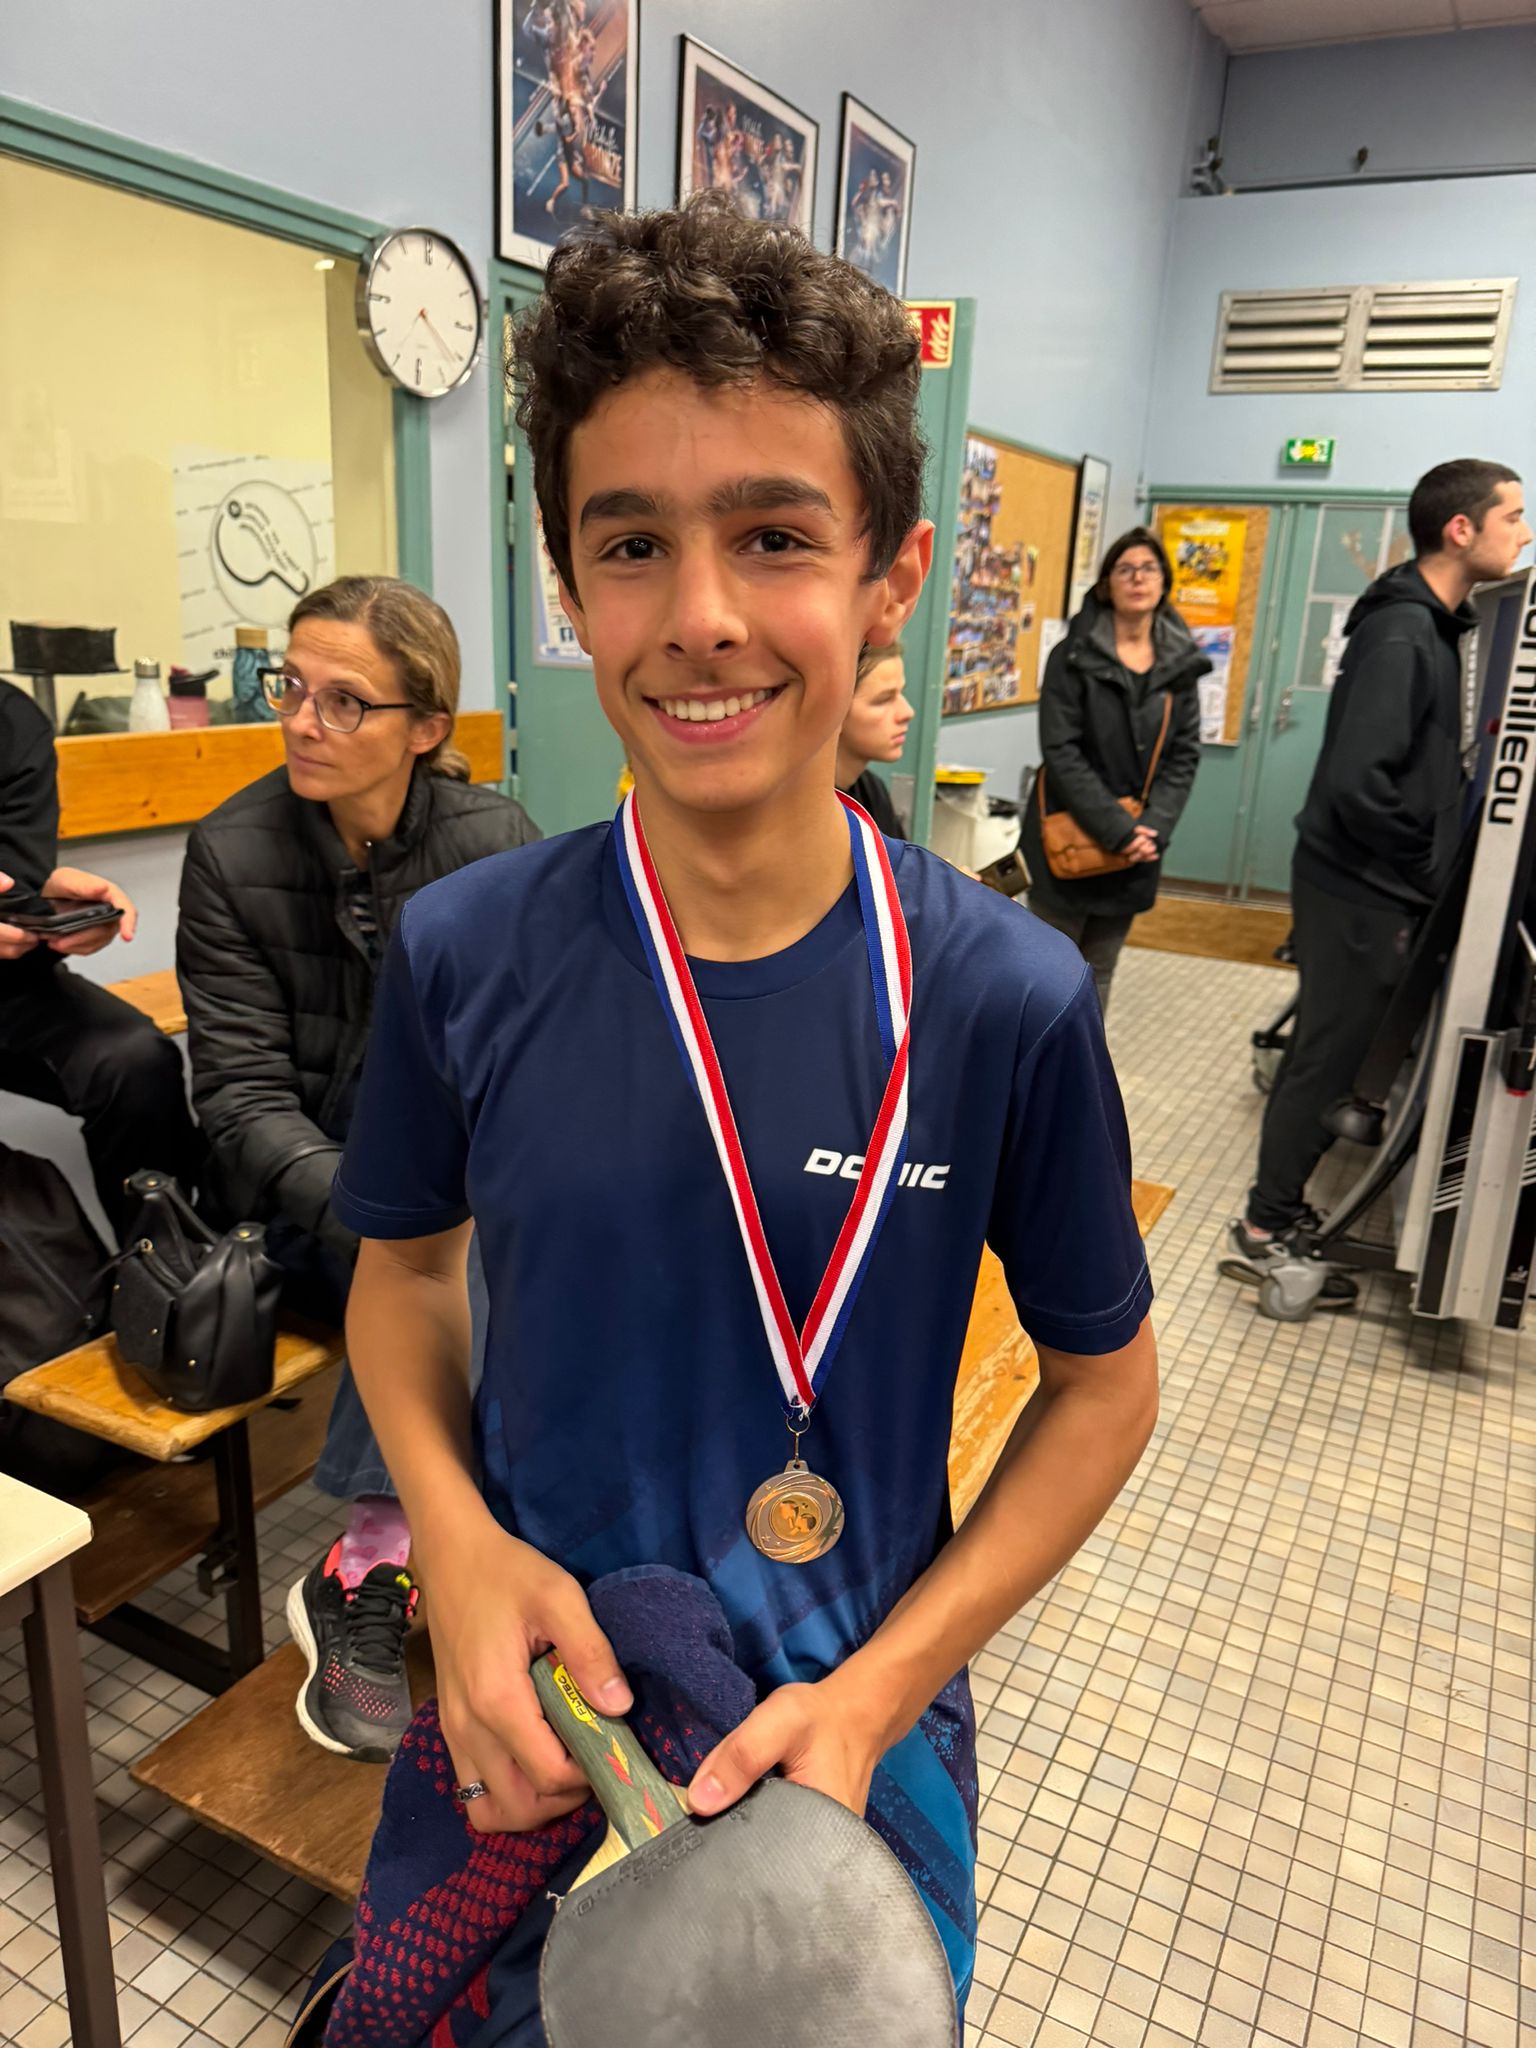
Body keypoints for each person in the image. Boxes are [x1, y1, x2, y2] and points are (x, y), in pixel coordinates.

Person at [327, 193, 1158, 2012]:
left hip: (847, 1738)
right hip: (528, 1723)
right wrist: (454, 1542)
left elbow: (1105, 1389)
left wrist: (878, 1693)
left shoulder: (1003, 999)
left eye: (774, 537)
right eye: (632, 544)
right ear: (567, 588)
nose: (700, 619)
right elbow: (402, 1281)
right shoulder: (465, 951)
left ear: (889, 577)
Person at [175, 576, 538, 1762]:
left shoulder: (494, 844)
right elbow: (239, 1101)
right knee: (448, 1250)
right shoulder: (232, 851)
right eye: (290, 687)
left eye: (343, 700)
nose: (301, 720)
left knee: (572, 1238)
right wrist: (392, 1211)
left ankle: (512, 1534)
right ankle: (368, 1563)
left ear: (426, 726)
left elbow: (539, 1052)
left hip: (465, 1202)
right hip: (293, 1211)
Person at [1231, 459, 1531, 1277]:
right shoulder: (1402, 632)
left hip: (1372, 883)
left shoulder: (1433, 624)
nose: (1525, 533)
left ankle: (1275, 1207)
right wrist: (1431, 871)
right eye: (1513, 516)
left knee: (1331, 1050)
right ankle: (1264, 1225)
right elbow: (1358, 782)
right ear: (1460, 529)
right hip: (1361, 888)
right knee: (1328, 1057)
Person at [0, 678, 201, 1236]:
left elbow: (16, 872)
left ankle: (164, 1273)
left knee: (133, 1063)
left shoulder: (11, 721)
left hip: (10, 985)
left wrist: (46, 906)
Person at [1021, 527, 1207, 1013]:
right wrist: (1119, 829)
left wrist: (1153, 828)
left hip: (1138, 848)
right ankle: (1035, 1061)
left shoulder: (1181, 664)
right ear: (1107, 583)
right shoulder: (1072, 656)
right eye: (1125, 569)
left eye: (1148, 568)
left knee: (1100, 969)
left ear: (1164, 581)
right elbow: (1061, 751)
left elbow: (1184, 754)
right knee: (1047, 970)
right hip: (1068, 835)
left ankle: (1083, 1061)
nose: (1138, 578)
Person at [835, 639, 913, 838]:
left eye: (901, 694)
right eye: (884, 700)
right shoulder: (809, 811)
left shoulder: (872, 789)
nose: (907, 712)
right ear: (835, 711)